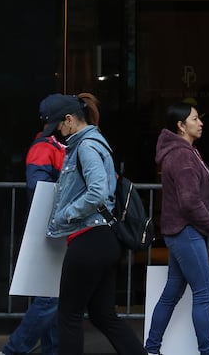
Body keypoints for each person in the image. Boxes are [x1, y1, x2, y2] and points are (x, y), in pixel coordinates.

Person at [44, 93, 143, 355]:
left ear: (69, 120)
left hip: (89, 238)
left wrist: (67, 213)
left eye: (58, 127)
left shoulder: (86, 147)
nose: (58, 133)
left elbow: (97, 191)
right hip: (105, 240)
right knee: (103, 315)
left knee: (69, 316)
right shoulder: (97, 143)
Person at [145, 102, 209, 355]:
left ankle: (152, 349)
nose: (200, 123)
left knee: (172, 292)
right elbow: (189, 201)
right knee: (202, 293)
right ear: (180, 125)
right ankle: (207, 352)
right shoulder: (182, 155)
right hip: (186, 231)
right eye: (195, 119)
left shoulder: (184, 151)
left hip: (180, 231)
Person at [0, 98, 69, 355]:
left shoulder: (56, 145)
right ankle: (13, 350)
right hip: (51, 230)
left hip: (57, 229)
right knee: (52, 299)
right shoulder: (44, 147)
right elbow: (39, 188)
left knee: (54, 298)